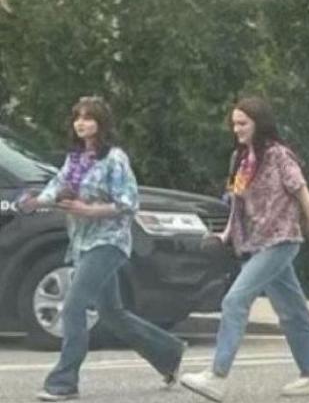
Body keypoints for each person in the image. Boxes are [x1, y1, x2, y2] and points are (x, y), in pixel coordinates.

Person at [20, 96, 187, 402]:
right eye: (77, 117)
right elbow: (55, 188)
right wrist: (35, 202)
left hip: (109, 242)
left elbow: (128, 204)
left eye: (88, 117)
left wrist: (88, 210)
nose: (81, 123)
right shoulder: (75, 159)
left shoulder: (115, 159)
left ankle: (63, 382)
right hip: (82, 242)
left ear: (101, 123)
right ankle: (169, 353)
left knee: (73, 306)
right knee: (112, 313)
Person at [181, 97, 309, 401]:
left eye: (243, 123)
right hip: (255, 243)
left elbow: (304, 197)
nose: (237, 129)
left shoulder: (280, 156)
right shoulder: (241, 160)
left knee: (234, 300)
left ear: (259, 123)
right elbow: (237, 206)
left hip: (281, 240)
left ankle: (217, 376)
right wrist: (225, 235)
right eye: (234, 123)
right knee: (292, 311)